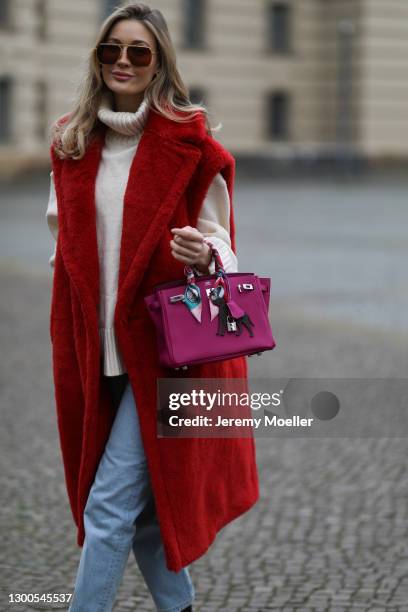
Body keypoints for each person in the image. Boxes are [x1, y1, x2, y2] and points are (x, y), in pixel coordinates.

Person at [46, 4, 260, 612]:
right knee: (142, 514)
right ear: (97, 59)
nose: (122, 61)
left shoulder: (192, 146)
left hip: (170, 355)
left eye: (139, 51)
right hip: (98, 349)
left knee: (108, 507)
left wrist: (203, 254)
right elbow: (64, 251)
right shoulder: (72, 144)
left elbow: (223, 246)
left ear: (159, 62)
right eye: (111, 49)